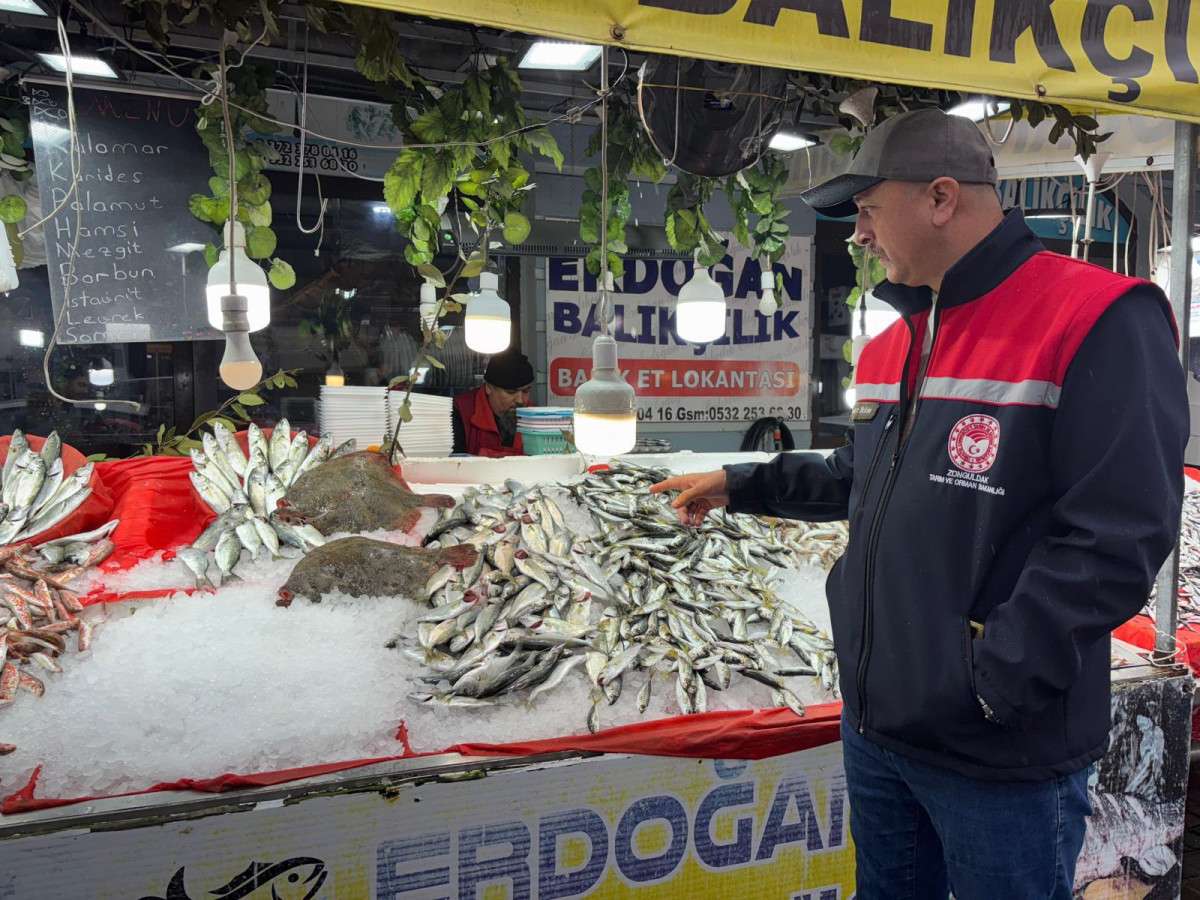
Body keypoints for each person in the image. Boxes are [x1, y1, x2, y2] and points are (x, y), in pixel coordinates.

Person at [650, 108, 1187, 899]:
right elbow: (862, 475)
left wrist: (993, 680)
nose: (859, 235)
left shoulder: (1097, 316)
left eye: (869, 209)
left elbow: (1121, 533)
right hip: (879, 731)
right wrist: (742, 483)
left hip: (995, 751)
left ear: (941, 197)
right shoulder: (894, 342)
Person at [451, 350, 533, 457]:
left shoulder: (536, 417)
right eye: (511, 392)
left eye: (526, 391)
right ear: (489, 388)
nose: (520, 400)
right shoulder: (460, 412)